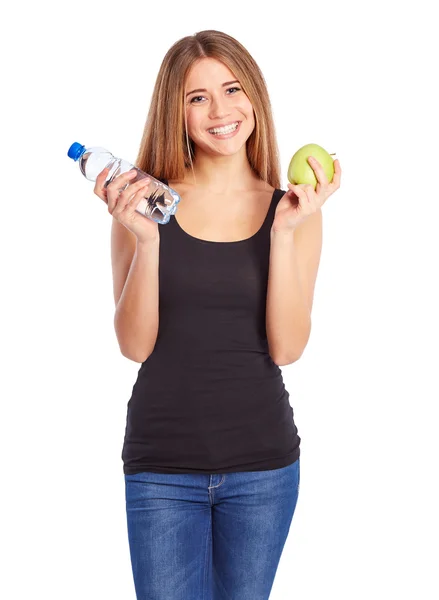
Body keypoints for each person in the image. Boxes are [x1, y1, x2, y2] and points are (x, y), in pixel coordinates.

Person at [94, 29, 341, 600]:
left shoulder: (294, 210)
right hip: (161, 469)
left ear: (254, 97)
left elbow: (288, 349)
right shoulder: (142, 205)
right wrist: (149, 244)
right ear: (175, 114)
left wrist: (282, 235)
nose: (221, 110)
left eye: (232, 89)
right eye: (197, 97)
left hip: (264, 470)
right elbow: (134, 346)